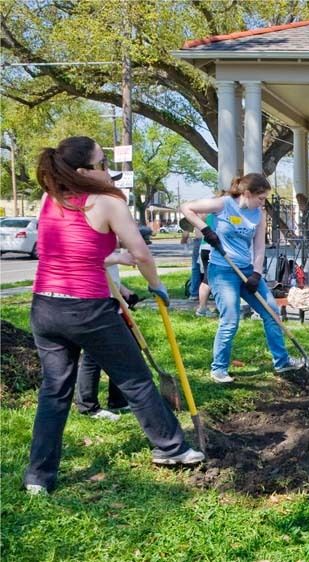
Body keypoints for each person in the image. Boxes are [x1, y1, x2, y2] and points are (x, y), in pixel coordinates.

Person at [24, 136, 204, 495]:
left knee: (54, 391)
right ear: (82, 171)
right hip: (87, 310)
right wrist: (157, 287)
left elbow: (63, 253)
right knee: (134, 378)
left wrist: (108, 259)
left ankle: (37, 478)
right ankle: (171, 447)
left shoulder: (50, 200)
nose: (109, 171)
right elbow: (142, 253)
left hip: (45, 307)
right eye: (103, 164)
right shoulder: (107, 202)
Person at [180, 173, 304, 384]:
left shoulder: (259, 214)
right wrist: (206, 229)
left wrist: (256, 273)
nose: (263, 202)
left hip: (247, 270)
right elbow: (186, 207)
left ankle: (281, 362)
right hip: (223, 271)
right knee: (230, 318)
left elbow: (259, 246)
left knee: (272, 311)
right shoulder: (223, 204)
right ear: (247, 193)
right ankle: (219, 369)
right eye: (260, 198)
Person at [74, 253, 139, 421]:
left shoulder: (106, 237)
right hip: (94, 302)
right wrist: (119, 258)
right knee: (93, 356)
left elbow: (106, 270)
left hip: (110, 300)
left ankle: (118, 400)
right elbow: (89, 258)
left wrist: (123, 290)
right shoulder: (92, 232)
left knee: (122, 351)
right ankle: (88, 406)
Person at [195, 210, 218, 317]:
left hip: (204, 247)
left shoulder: (208, 215)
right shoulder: (225, 214)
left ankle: (202, 308)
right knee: (219, 279)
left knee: (206, 278)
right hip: (215, 248)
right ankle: (219, 308)